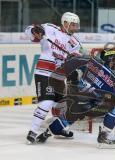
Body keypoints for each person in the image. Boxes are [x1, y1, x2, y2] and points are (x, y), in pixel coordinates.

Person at [25, 12, 84, 144]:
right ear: (65, 23)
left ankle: (59, 130)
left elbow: (77, 59)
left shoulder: (75, 42)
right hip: (45, 72)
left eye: (76, 25)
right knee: (47, 103)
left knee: (62, 106)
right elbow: (28, 31)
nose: (75, 28)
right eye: (73, 25)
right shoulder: (50, 29)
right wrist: (35, 30)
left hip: (58, 76)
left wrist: (74, 62)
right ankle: (33, 131)